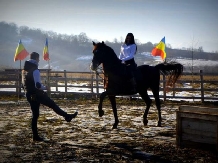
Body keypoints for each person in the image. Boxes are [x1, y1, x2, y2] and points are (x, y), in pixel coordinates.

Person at [22, 52, 78, 141]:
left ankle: (35, 136)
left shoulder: (25, 71)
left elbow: (25, 84)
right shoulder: (35, 70)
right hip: (37, 94)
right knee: (53, 105)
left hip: (29, 94)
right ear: (36, 59)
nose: (39, 60)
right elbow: (38, 85)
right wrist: (46, 88)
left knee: (35, 115)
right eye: (38, 59)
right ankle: (67, 116)